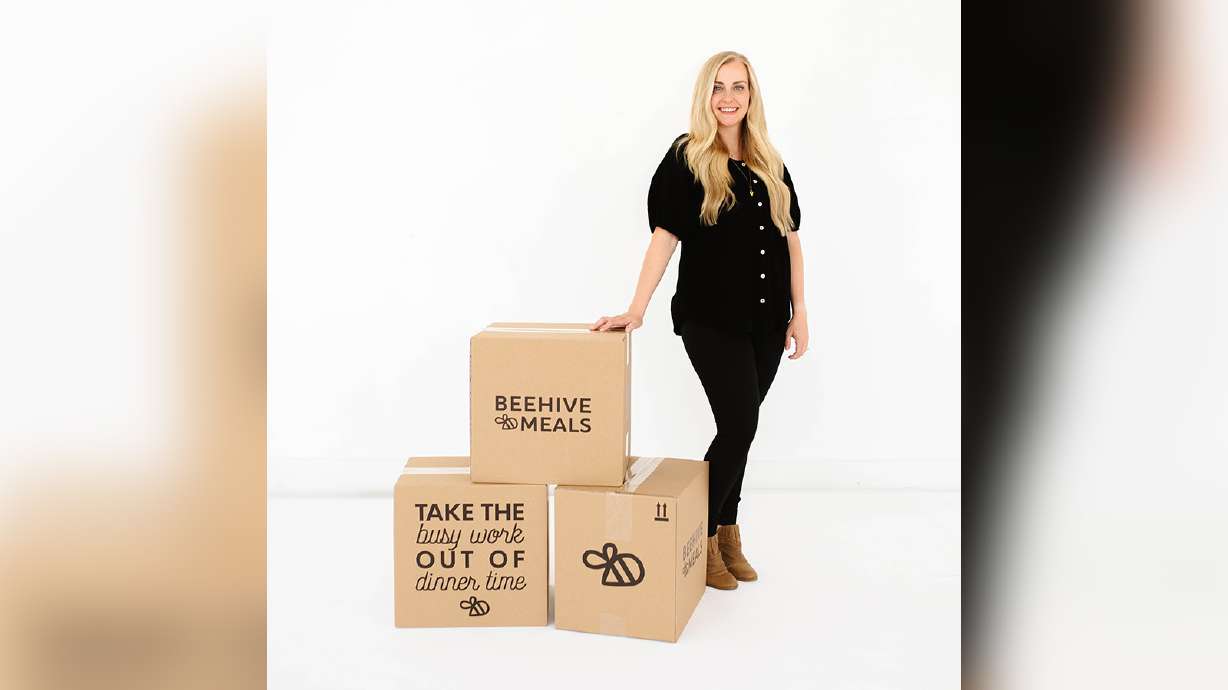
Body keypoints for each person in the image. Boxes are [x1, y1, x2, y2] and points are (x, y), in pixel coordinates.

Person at [591, 50, 808, 590]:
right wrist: (635, 309)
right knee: (739, 424)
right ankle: (701, 534)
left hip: (766, 321)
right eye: (718, 87)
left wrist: (799, 312)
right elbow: (664, 236)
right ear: (704, 96)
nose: (729, 98)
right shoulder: (687, 157)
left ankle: (728, 533)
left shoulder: (770, 163)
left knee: (742, 430)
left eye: (739, 87)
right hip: (711, 319)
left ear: (751, 96)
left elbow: (792, 244)